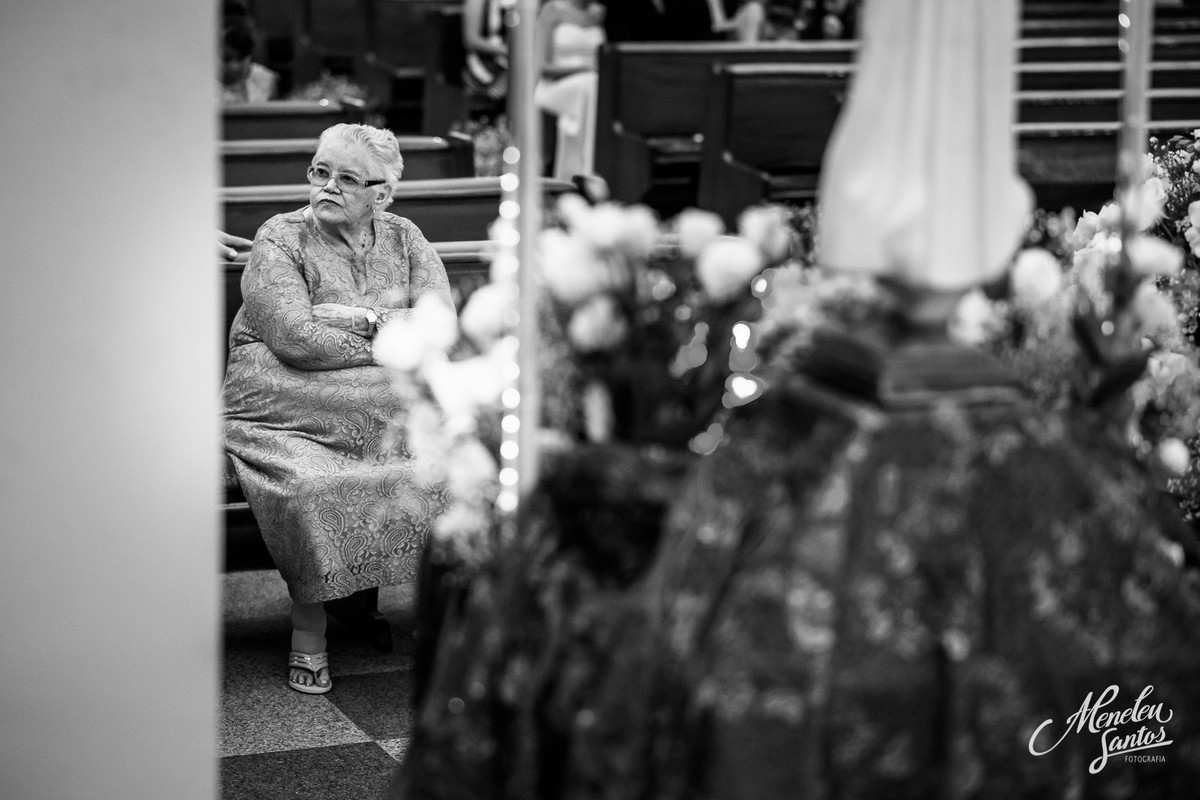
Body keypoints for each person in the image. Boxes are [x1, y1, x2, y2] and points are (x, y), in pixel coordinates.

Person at [222, 123, 453, 694]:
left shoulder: (405, 238)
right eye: (320, 171)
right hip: (284, 407)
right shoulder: (280, 238)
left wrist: (359, 320)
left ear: (383, 193)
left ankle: (446, 622)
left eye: (347, 179)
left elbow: (440, 325)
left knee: (448, 469)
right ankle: (309, 631)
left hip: (374, 405)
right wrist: (392, 339)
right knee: (309, 486)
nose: (327, 186)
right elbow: (296, 339)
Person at [533, 0, 607, 181]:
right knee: (588, 85)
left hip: (592, 83)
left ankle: (598, 167)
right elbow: (543, 67)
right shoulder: (552, 10)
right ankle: (580, 173)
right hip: (554, 85)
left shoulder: (598, 12)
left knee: (594, 87)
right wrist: (583, 69)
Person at [462, 0, 509, 103]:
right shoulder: (476, 2)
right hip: (484, 67)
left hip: (510, 63)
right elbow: (470, 40)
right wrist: (510, 51)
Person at [220, 21, 278, 104]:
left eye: (240, 58)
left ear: (249, 56)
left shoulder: (266, 80)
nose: (234, 66)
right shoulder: (206, 81)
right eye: (226, 59)